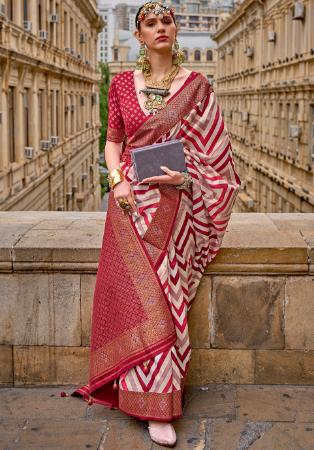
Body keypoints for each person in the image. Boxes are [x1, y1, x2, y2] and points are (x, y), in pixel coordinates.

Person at [70, 1, 241, 447]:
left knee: (167, 301)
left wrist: (188, 178)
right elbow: (112, 143)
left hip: (176, 209)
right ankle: (139, 397)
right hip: (129, 209)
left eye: (166, 20)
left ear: (176, 30)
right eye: (150, 23)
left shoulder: (197, 86)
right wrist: (117, 181)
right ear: (139, 36)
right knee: (136, 302)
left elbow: (216, 153)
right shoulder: (124, 84)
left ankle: (162, 402)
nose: (160, 27)